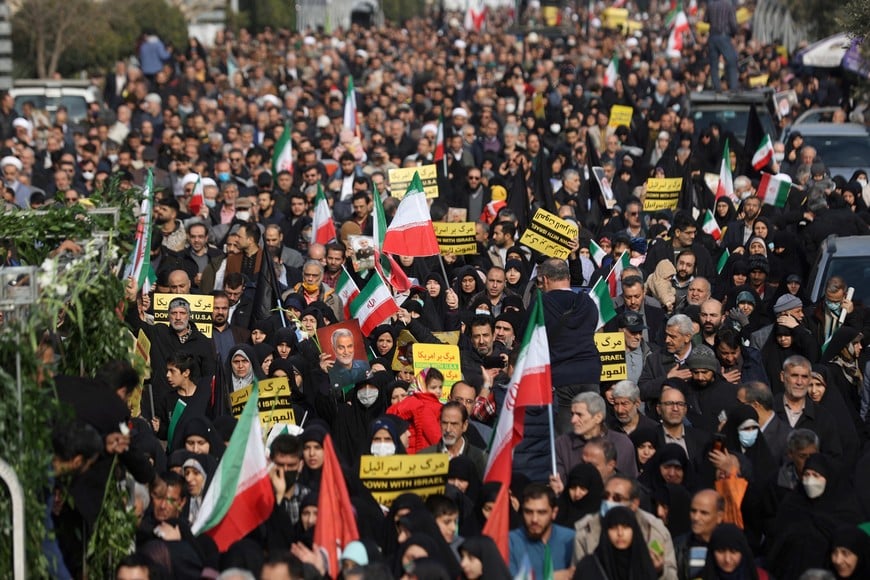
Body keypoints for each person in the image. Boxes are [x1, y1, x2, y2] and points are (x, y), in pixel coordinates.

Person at [538, 259, 601, 435]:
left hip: (560, 377)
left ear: (544, 279)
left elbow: (524, 337)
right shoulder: (588, 303)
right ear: (568, 276)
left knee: (565, 437)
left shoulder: (541, 305)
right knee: (592, 430)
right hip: (590, 373)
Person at [572, 475, 677, 579]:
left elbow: (672, 576)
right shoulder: (586, 530)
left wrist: (659, 571)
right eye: (605, 496)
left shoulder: (654, 529)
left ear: (634, 504)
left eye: (617, 498)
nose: (609, 502)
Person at [573, 505, 658, 580]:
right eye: (613, 528)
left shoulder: (644, 564)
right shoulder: (588, 567)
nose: (620, 533)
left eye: (625, 527)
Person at [509, 484, 575, 579]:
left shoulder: (570, 539)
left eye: (542, 512)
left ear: (554, 513)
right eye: (528, 512)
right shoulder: (510, 541)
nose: (534, 519)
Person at [674, 489, 726, 580]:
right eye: (693, 511)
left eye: (704, 513)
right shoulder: (679, 546)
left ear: (719, 517)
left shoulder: (729, 547)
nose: (696, 518)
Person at [705, 0, 739, 92]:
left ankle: (717, 87)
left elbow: (705, 19)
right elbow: (733, 24)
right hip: (724, 37)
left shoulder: (710, 5)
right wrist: (735, 34)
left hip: (712, 36)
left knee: (714, 64)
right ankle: (733, 87)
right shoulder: (728, 5)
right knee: (731, 60)